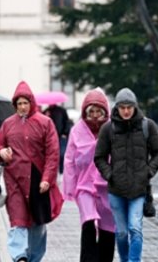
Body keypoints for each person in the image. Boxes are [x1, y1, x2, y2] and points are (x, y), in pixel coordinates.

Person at [94, 89, 158, 262]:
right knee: (121, 232)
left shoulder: (147, 126)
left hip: (139, 189)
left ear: (135, 107)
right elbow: (99, 157)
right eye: (122, 107)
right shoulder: (108, 129)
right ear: (117, 108)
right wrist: (109, 175)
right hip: (116, 189)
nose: (126, 111)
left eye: (129, 107)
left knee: (135, 229)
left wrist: (148, 172)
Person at [0, 82, 63, 262]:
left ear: (31, 103)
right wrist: (1, 152)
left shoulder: (45, 123)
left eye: (25, 103)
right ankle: (19, 256)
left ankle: (34, 257)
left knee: (37, 224)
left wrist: (47, 179)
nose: (22, 107)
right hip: (14, 180)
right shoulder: (8, 124)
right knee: (17, 220)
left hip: (38, 180)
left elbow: (53, 153)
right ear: (15, 105)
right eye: (19, 104)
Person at [64, 89, 116, 262]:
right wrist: (70, 188)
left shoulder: (113, 129)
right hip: (84, 186)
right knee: (87, 223)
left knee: (108, 227)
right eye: (91, 111)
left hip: (108, 186)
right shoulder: (77, 130)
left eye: (98, 112)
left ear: (104, 112)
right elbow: (70, 160)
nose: (94, 116)